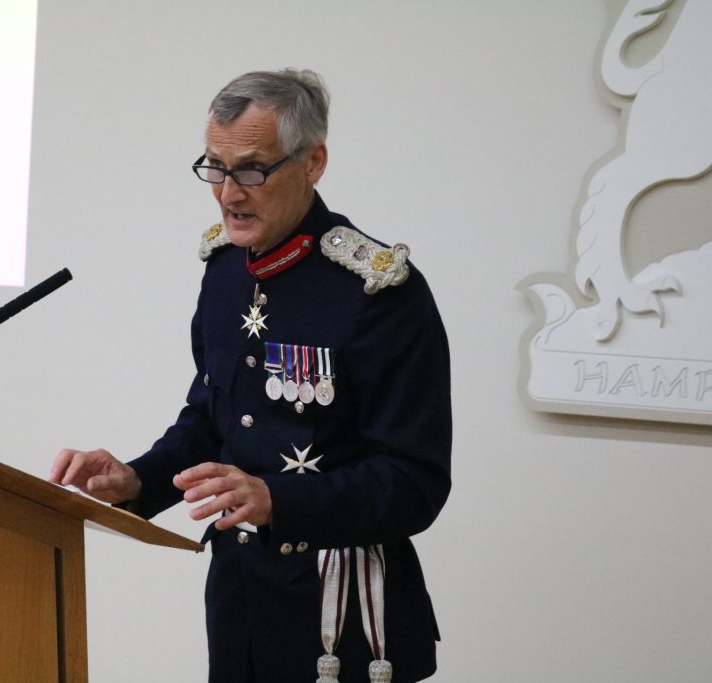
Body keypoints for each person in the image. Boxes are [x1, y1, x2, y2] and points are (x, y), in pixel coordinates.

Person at [50, 69, 451, 683]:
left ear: (313, 161)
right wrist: (137, 480)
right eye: (215, 167)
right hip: (240, 605)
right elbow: (212, 418)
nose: (229, 194)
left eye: (252, 170)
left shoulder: (378, 291)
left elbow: (416, 481)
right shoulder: (227, 271)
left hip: (343, 627)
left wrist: (277, 498)